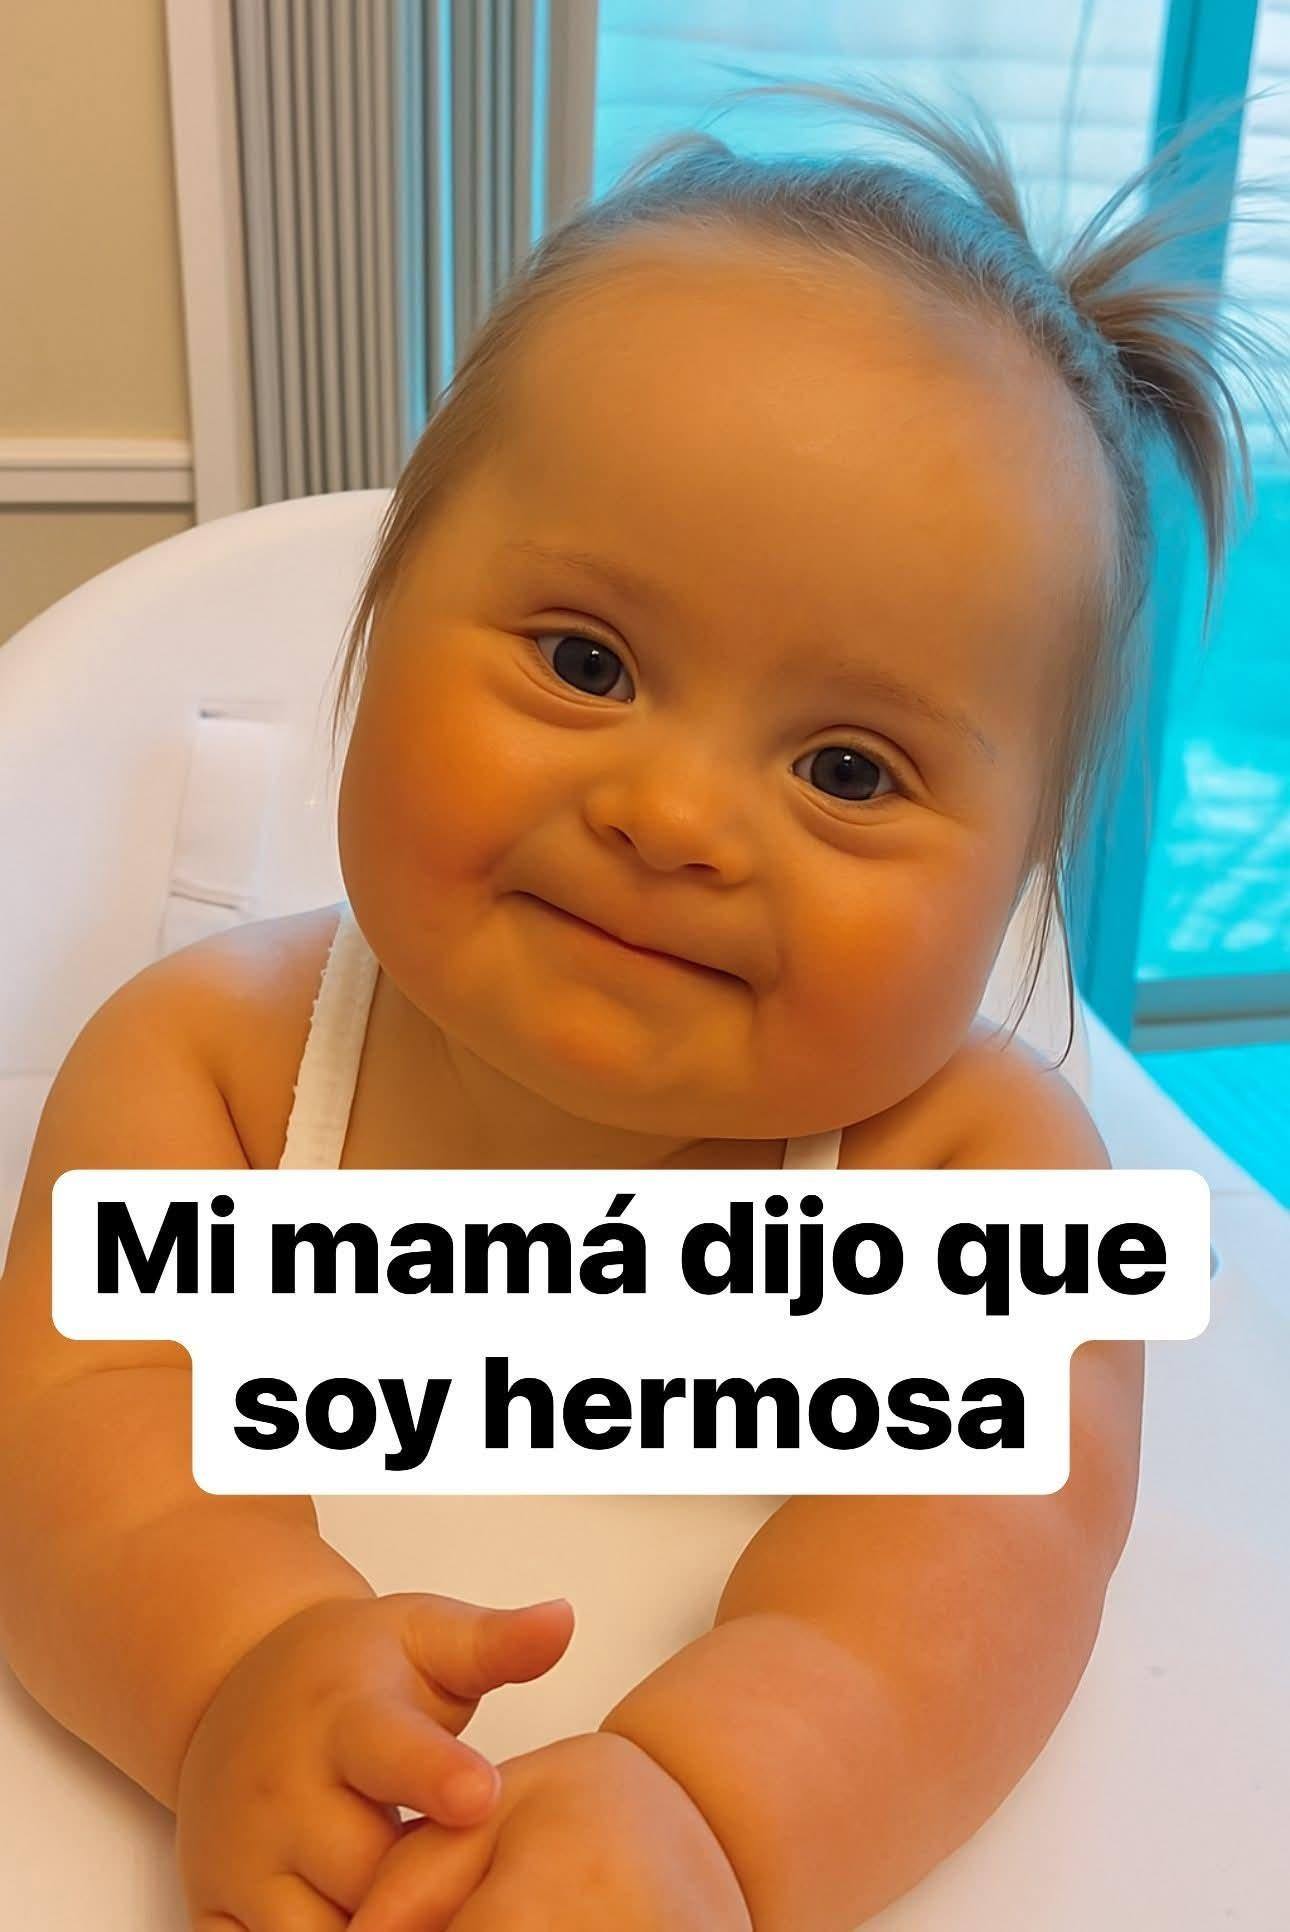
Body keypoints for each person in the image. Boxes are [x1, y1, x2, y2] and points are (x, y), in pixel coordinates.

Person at [0, 78, 1276, 1932]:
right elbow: (75, 1451)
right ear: (373, 627)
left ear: (1015, 886)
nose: (671, 818)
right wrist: (231, 1678)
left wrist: (716, 1813)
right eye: (586, 662)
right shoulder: (211, 1076)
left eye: (846, 770)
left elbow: (982, 1567)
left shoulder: (968, 1177)